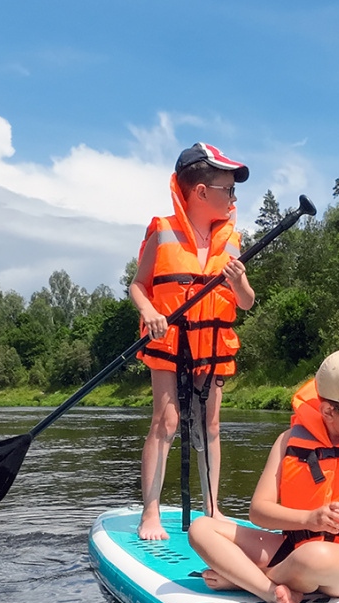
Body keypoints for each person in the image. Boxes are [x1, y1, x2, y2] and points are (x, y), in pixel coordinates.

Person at [188, 349, 339, 603]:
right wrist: (310, 518)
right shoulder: (289, 441)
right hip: (293, 548)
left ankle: (244, 579)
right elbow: (258, 512)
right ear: (328, 411)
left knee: (313, 557)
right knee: (201, 528)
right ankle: (267, 590)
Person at [130, 142, 256, 541]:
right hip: (169, 340)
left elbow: (247, 302)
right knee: (165, 422)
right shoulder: (163, 232)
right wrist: (149, 311)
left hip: (212, 342)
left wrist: (239, 284)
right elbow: (138, 285)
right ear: (202, 192)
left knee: (211, 424)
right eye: (228, 189)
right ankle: (150, 512)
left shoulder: (232, 240)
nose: (233, 197)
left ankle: (213, 510)